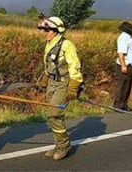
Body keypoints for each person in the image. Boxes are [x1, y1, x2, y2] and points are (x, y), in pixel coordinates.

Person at [36, 16, 83, 160]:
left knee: (54, 114)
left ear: (56, 30)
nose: (44, 32)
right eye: (44, 29)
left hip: (64, 83)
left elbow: (74, 66)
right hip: (52, 83)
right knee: (52, 116)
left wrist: (73, 87)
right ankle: (58, 144)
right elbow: (49, 65)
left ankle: (64, 145)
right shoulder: (49, 43)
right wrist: (44, 79)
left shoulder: (66, 45)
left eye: (47, 29)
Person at [113, 22, 132, 111]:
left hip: (130, 65)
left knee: (127, 86)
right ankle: (118, 105)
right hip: (125, 65)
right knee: (122, 85)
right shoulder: (123, 37)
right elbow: (121, 53)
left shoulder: (129, 37)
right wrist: (123, 66)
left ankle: (124, 104)